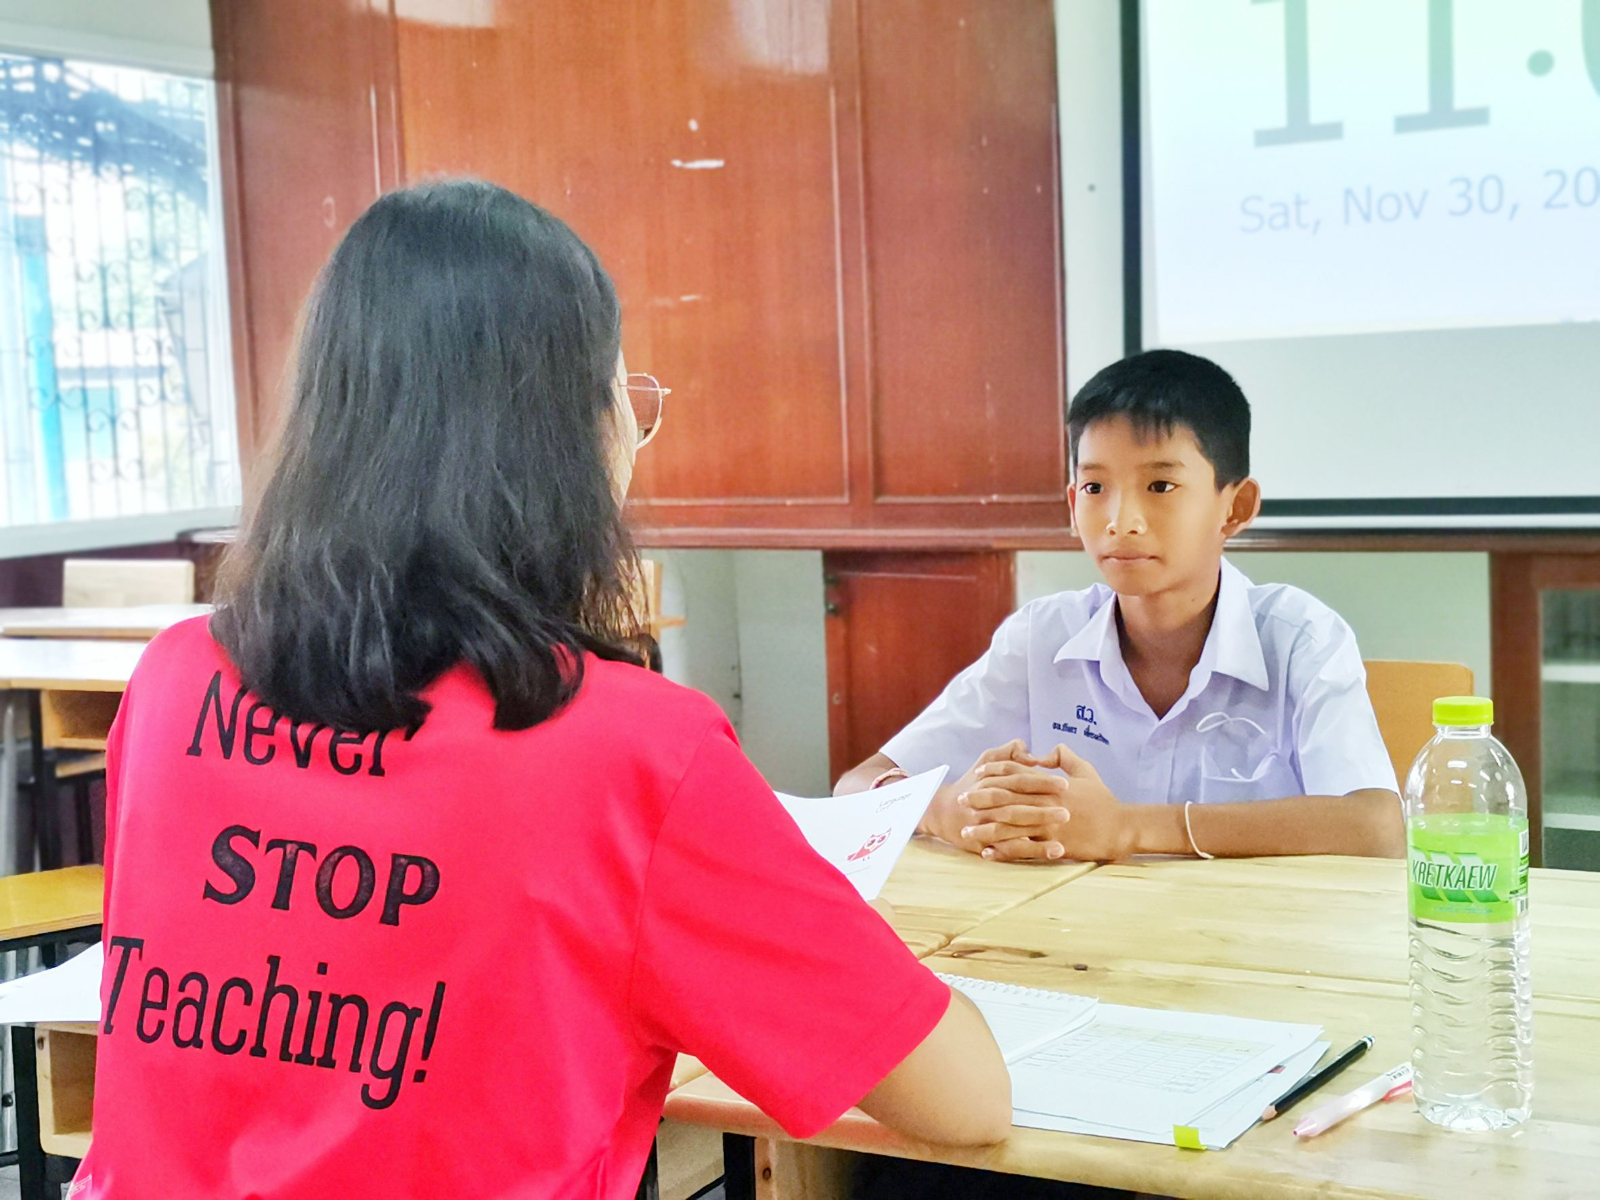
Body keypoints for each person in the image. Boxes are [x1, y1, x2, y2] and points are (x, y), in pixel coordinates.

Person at [75, 180, 1009, 1199]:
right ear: (568, 438)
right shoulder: (632, 751)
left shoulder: (173, 681)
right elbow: (965, 1098)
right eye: (622, 400)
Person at [837, 349, 1404, 863]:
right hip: (1076, 932)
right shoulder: (1043, 637)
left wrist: (1129, 828)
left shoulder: (1301, 638)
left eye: (1160, 487)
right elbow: (857, 786)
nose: (1120, 521)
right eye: (1094, 488)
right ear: (1072, 503)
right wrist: (947, 811)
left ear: (1234, 507)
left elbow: (1378, 826)